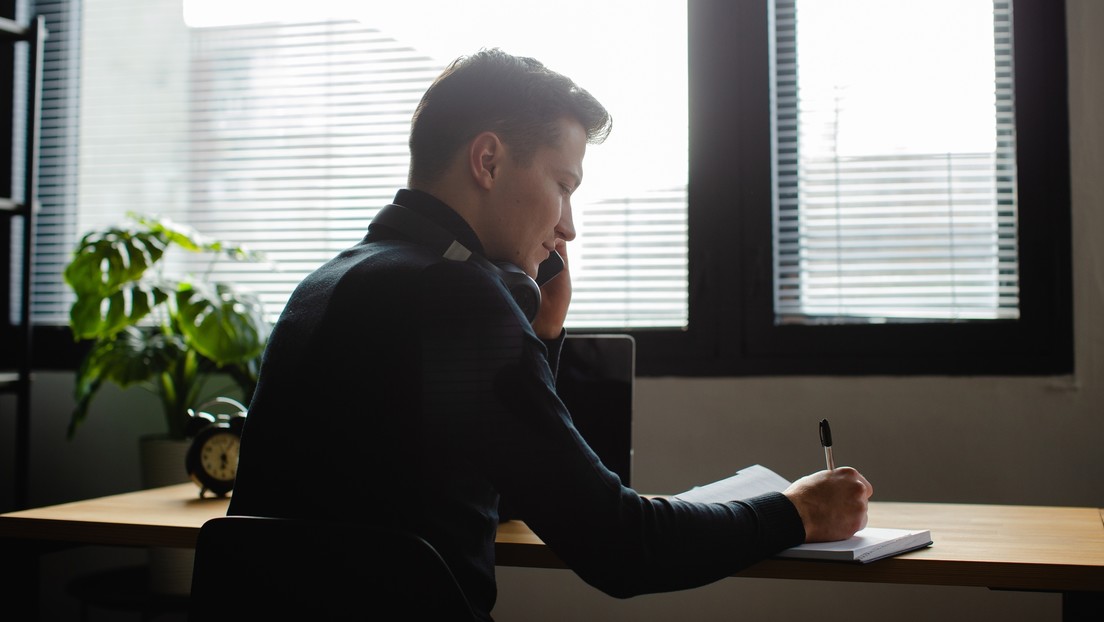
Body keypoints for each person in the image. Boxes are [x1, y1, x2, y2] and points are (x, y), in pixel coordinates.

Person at [227, 48, 872, 620]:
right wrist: (797, 512)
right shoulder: (461, 300)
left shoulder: (325, 284)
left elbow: (497, 489)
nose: (568, 227)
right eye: (563, 186)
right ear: (487, 160)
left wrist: (542, 332)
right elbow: (623, 549)